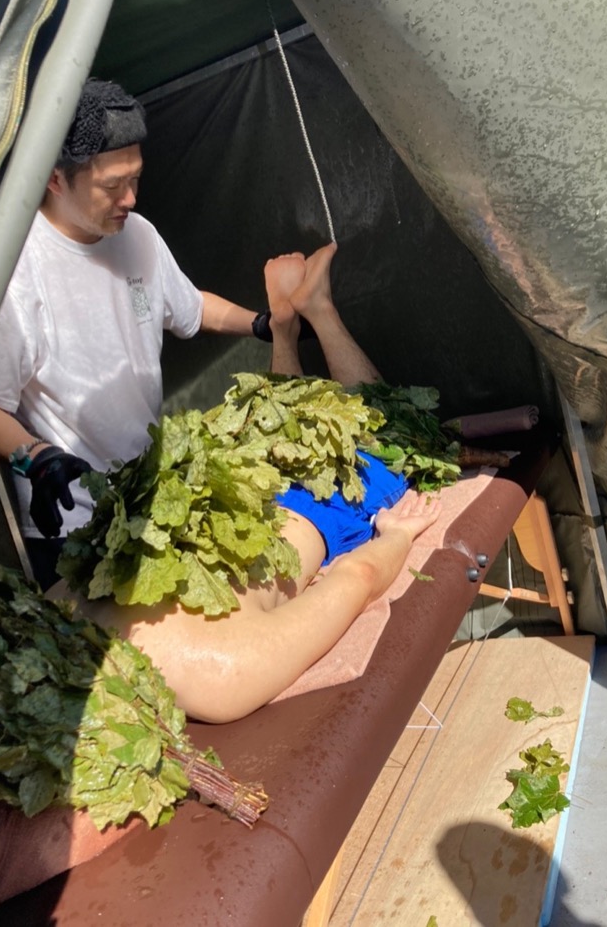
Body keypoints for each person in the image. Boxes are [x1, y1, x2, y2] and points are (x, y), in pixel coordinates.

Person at [48, 242, 442, 723]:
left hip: (307, 513)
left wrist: (396, 535)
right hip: (219, 474)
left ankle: (315, 310)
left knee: (386, 433)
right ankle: (290, 324)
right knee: (278, 428)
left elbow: (356, 577)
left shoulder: (220, 679)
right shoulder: (65, 609)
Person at [0, 80, 258, 587]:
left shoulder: (137, 235)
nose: (130, 198)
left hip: (151, 502)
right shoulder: (15, 269)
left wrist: (262, 323)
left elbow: (191, 308)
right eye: (111, 186)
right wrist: (36, 459)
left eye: (136, 178)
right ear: (56, 179)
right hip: (74, 527)